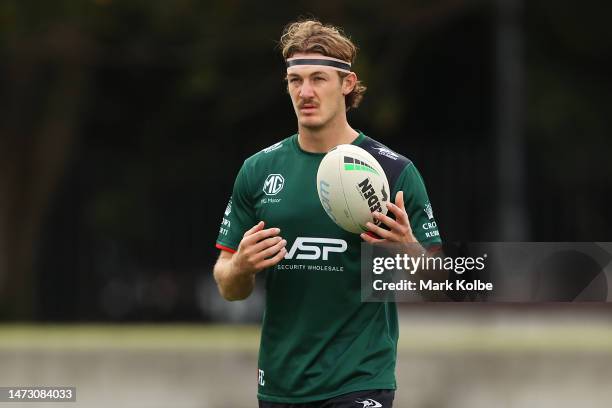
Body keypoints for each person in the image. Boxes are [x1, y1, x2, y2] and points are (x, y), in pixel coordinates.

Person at [214, 19, 441, 408]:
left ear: (347, 84)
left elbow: (437, 282)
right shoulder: (259, 170)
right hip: (281, 382)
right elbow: (227, 285)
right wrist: (241, 268)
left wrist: (408, 247)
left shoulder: (393, 172)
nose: (305, 92)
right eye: (295, 80)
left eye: (318, 78)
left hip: (361, 378)